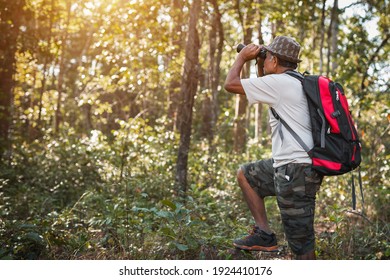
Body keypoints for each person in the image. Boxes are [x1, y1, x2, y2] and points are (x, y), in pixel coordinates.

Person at [224, 36, 323, 260]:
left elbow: (230, 84)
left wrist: (241, 57)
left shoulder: (279, 84)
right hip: (289, 168)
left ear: (276, 61)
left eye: (267, 56)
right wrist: (260, 62)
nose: (265, 59)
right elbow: (264, 84)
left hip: (295, 172)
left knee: (302, 248)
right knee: (246, 175)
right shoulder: (295, 81)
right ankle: (264, 234)